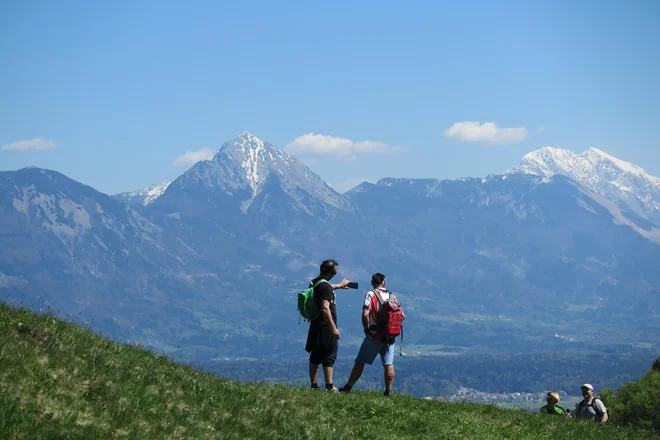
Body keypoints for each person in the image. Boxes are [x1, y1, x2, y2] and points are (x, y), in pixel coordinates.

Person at [340, 272, 405, 397]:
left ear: (372, 282)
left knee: (360, 362)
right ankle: (388, 392)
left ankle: (348, 388)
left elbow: (365, 314)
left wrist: (366, 329)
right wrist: (391, 327)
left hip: (375, 335)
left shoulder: (371, 294)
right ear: (384, 282)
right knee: (388, 364)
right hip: (390, 336)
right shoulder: (393, 297)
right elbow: (402, 316)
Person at [305, 259, 350, 391]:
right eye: (335, 273)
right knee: (329, 355)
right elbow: (325, 308)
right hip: (326, 326)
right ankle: (329, 387)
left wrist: (339, 286)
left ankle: (313, 386)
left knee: (315, 356)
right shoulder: (325, 288)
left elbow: (325, 288)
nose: (334, 275)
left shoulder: (315, 282)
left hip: (316, 324)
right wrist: (334, 328)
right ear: (330, 272)